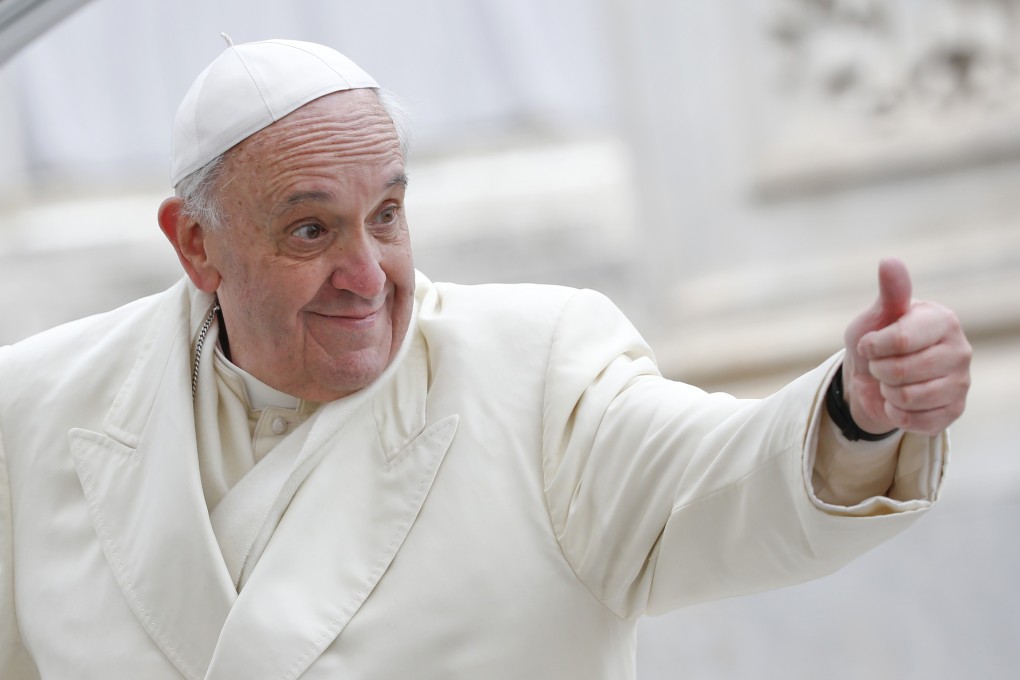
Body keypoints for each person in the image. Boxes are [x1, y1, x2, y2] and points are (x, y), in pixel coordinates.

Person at [0, 38, 971, 680]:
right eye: (310, 229)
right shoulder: (35, 401)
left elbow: (715, 480)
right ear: (196, 244)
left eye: (386, 215)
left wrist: (854, 407)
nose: (367, 274)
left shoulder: (535, 369)